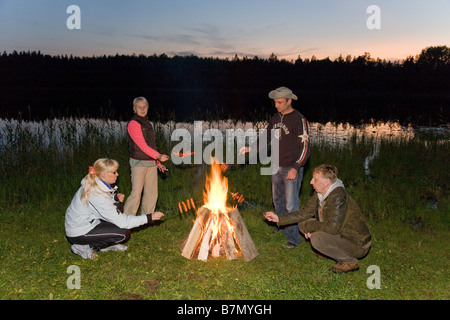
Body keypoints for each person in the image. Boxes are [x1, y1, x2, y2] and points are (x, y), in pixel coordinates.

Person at [264, 164, 371, 273]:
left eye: (315, 179)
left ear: (326, 183)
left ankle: (349, 262)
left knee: (317, 239)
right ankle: (327, 249)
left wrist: (311, 228)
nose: (311, 182)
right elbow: (305, 212)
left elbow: (332, 228)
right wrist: (279, 218)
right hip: (340, 232)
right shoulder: (320, 192)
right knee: (302, 222)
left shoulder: (338, 198)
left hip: (357, 243)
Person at [240, 86, 310, 249]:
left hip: (291, 168)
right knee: (277, 201)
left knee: (291, 205)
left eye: (279, 102)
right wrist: (251, 147)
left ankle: (293, 239)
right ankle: (280, 228)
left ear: (289, 101)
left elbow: (305, 147)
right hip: (276, 166)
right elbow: (266, 137)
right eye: (275, 102)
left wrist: (296, 167)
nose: (276, 105)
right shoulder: (275, 118)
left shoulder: (299, 119)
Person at [65, 158, 164, 260]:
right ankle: (83, 246)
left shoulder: (97, 183)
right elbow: (123, 222)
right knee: (123, 232)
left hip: (90, 223)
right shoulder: (96, 194)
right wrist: (149, 217)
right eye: (114, 172)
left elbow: (107, 205)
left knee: (118, 217)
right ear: (103, 174)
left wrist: (116, 199)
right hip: (79, 232)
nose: (117, 174)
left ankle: (106, 243)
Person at [124, 96, 169, 216]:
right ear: (134, 109)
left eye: (144, 107)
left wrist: (158, 163)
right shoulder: (133, 124)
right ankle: (126, 219)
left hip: (151, 163)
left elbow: (151, 145)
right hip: (138, 163)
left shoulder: (148, 124)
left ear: (147, 108)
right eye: (139, 107)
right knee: (136, 193)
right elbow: (142, 146)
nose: (142, 109)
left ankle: (147, 218)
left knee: (151, 192)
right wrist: (159, 156)